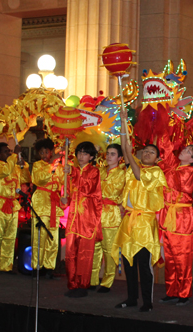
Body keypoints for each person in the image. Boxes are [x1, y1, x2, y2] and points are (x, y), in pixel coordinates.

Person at [111, 109, 167, 313]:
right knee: (129, 262)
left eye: (151, 152)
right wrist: (124, 124)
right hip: (130, 221)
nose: (146, 154)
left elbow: (137, 172)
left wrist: (132, 157)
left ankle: (147, 301)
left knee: (144, 263)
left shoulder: (155, 172)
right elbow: (126, 150)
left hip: (144, 223)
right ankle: (131, 298)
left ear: (158, 158)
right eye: (145, 152)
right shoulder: (134, 166)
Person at [157, 132, 193, 306]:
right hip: (169, 215)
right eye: (185, 148)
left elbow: (177, 184)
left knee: (182, 257)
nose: (184, 150)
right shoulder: (175, 167)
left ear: (192, 160)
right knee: (169, 257)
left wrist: (167, 165)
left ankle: (184, 292)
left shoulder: (190, 171)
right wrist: (167, 129)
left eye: (189, 151)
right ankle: (171, 290)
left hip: (181, 218)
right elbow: (166, 150)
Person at [62, 141, 102, 298]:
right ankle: (72, 284)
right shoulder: (74, 172)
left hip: (87, 218)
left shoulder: (94, 172)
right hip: (73, 217)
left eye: (85, 153)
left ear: (91, 157)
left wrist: (73, 173)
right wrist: (66, 198)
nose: (81, 156)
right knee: (70, 253)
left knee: (85, 254)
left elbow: (87, 188)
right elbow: (74, 192)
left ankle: (83, 285)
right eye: (79, 152)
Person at [0, 143, 31, 275]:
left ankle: (6, 266)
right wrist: (15, 155)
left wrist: (23, 166)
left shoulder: (15, 166)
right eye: (6, 151)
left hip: (12, 205)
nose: (9, 153)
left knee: (9, 238)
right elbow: (5, 171)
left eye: (9, 151)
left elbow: (26, 179)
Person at [90, 143, 125, 293]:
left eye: (112, 154)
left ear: (120, 158)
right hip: (95, 213)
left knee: (110, 250)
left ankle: (107, 281)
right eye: (108, 153)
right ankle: (92, 280)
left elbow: (113, 191)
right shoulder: (99, 171)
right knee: (94, 249)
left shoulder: (122, 173)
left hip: (111, 214)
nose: (109, 156)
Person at [30, 138, 64, 278]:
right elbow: (40, 180)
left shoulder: (60, 167)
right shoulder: (38, 165)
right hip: (40, 202)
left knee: (53, 238)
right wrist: (52, 166)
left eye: (47, 152)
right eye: (41, 152)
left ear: (51, 152)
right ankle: (37, 267)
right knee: (39, 237)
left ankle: (49, 267)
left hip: (54, 204)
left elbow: (64, 183)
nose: (44, 154)